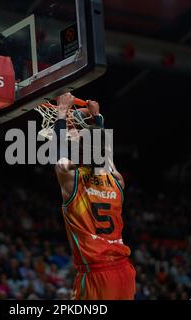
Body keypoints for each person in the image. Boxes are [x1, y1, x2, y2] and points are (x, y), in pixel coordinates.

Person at [53, 92, 135, 300]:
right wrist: (97, 119)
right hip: (125, 271)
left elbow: (59, 153)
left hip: (96, 273)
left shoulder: (71, 178)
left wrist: (62, 112)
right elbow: (104, 155)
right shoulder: (117, 180)